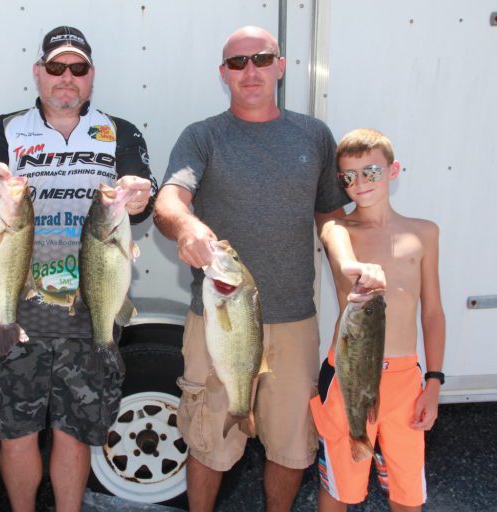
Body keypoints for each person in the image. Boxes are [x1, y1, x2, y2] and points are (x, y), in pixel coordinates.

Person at [153, 26, 353, 511]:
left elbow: (329, 215)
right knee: (208, 441)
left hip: (294, 321)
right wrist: (187, 229)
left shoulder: (314, 135)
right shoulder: (203, 136)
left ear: (281, 66)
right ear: (224, 75)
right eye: (238, 62)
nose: (250, 71)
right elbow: (169, 201)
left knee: (291, 446)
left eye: (261, 59)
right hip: (217, 322)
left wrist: (350, 268)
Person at [0, 26, 155, 512]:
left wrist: (139, 190)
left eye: (78, 68)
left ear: (91, 78)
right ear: (38, 73)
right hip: (18, 311)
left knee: (75, 433)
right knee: (16, 431)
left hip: (90, 312)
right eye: (56, 67)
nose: (66, 78)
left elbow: (142, 197)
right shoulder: (5, 127)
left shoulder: (120, 131)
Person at [311, 128, 446, 511]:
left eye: (370, 172)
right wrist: (358, 268)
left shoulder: (424, 233)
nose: (359, 184)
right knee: (341, 487)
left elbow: (433, 311)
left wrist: (434, 381)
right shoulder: (338, 229)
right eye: (348, 177)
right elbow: (341, 258)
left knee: (408, 491)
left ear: (393, 170)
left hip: (405, 379)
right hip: (346, 376)